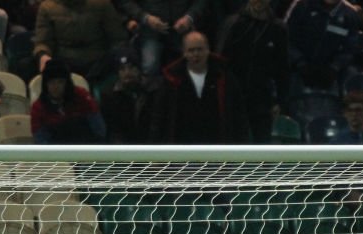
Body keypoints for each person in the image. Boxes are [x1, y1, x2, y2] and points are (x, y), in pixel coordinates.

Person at [150, 31, 250, 144]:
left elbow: (239, 114)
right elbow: (159, 117)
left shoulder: (224, 76)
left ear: (208, 49)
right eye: (191, 50)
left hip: (217, 146)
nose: (196, 54)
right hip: (181, 147)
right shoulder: (171, 78)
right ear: (184, 53)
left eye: (200, 49)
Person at [218, 0, 290, 143]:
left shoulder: (278, 29)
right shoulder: (233, 24)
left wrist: (280, 102)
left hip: (263, 99)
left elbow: (283, 69)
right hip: (234, 97)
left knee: (262, 144)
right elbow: (220, 62)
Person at [117, 0, 206, 78]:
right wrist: (145, 17)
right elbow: (125, 1)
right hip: (150, 30)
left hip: (182, 27)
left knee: (197, 59)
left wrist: (190, 17)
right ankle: (154, 94)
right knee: (150, 66)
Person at [30, 59, 106, 144]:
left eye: (60, 82)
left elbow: (99, 130)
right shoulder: (38, 108)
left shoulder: (82, 96)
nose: (56, 87)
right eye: (51, 82)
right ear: (45, 84)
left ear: (67, 83)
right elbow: (41, 140)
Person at [100, 50, 158, 144]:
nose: (127, 73)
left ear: (139, 69)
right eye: (122, 69)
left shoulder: (154, 90)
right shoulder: (109, 95)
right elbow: (113, 130)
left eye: (131, 68)